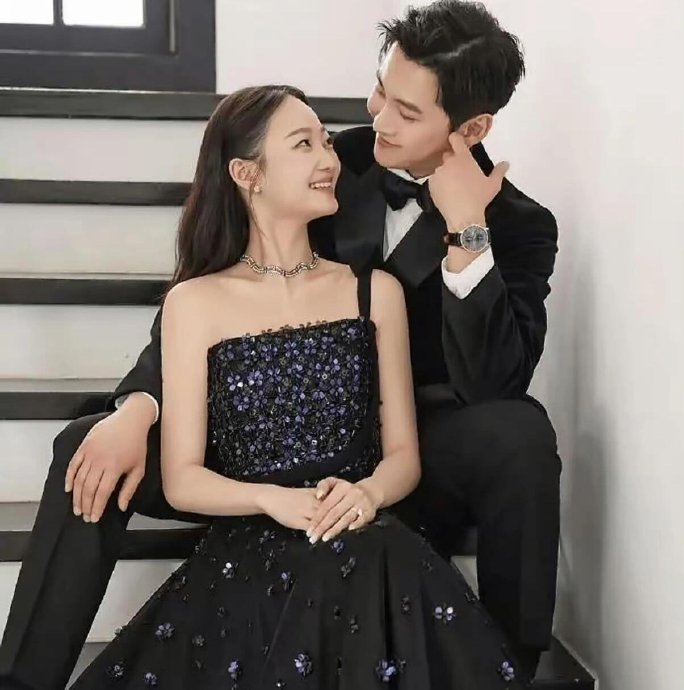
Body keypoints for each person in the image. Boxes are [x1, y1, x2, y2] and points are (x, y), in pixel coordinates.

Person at [0, 3, 559, 688]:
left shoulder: (521, 224)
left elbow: (496, 383)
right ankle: (24, 677)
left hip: (400, 441)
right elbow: (211, 289)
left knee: (520, 431)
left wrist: (468, 229)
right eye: (380, 90)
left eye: (407, 112)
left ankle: (503, 664)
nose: (377, 117)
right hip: (258, 429)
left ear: (471, 128)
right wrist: (139, 405)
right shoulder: (330, 164)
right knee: (85, 447)